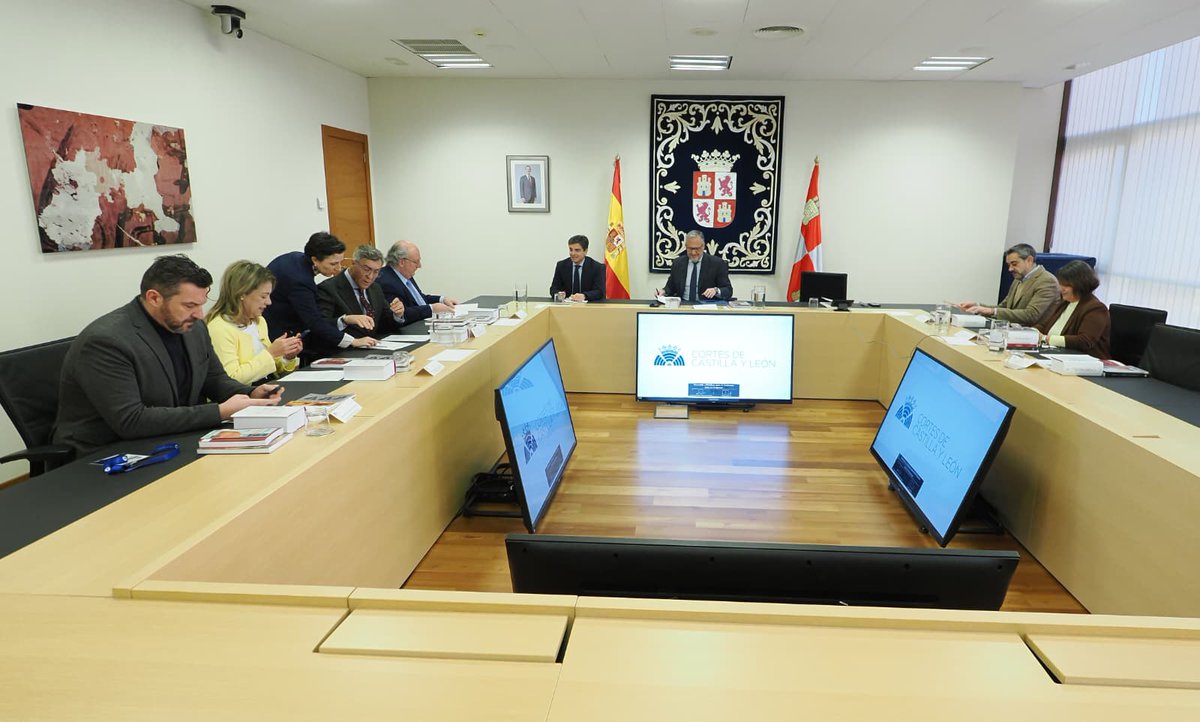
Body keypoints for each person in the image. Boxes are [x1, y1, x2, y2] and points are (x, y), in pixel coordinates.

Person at [52, 255, 283, 454]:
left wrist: (250, 393)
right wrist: (219, 411)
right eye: (189, 305)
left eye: (201, 304)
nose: (199, 314)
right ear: (154, 298)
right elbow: (131, 420)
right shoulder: (106, 341)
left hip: (172, 438)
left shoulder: (192, 327)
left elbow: (213, 379)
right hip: (108, 452)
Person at [263, 232, 377, 351]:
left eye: (340, 262)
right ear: (315, 260)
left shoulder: (296, 258)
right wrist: (353, 341)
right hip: (276, 335)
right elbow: (314, 322)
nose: (338, 268)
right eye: (333, 264)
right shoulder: (300, 281)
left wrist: (345, 320)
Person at [206, 260, 303, 384]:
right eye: (263, 296)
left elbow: (273, 371)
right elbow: (231, 380)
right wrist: (271, 353)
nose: (269, 302)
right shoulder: (219, 329)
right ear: (241, 294)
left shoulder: (259, 322)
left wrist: (287, 357)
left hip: (268, 388)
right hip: (243, 397)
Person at [316, 245, 406, 343]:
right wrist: (344, 320)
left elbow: (385, 322)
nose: (370, 277)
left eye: (376, 272)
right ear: (353, 263)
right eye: (366, 270)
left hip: (373, 347)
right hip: (343, 351)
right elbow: (320, 326)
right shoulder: (328, 288)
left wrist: (397, 314)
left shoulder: (375, 288)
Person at [955, 243, 1059, 325]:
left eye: (1014, 264)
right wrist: (977, 306)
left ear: (1029, 260)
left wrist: (991, 311)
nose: (1010, 269)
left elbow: (1031, 315)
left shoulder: (1047, 281)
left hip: (1031, 337)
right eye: (1009, 265)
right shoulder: (1018, 278)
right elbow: (1004, 307)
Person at [1034, 260, 1111, 359]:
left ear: (1081, 285)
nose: (1061, 289)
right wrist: (1031, 332)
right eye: (1061, 284)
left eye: (1066, 285)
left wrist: (1046, 339)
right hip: (1056, 355)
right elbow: (1044, 325)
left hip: (1084, 361)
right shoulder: (1064, 303)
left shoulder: (1096, 308)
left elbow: (1084, 341)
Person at [377, 240, 460, 325]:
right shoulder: (385, 281)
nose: (420, 265)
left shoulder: (405, 274)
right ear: (402, 262)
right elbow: (400, 313)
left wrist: (442, 299)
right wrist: (431, 309)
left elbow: (419, 299)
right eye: (416, 262)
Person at [659, 230, 733, 301]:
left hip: (706, 306)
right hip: (683, 305)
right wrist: (663, 291)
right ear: (686, 246)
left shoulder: (717, 263)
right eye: (690, 249)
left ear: (703, 246)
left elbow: (728, 290)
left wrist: (715, 290)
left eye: (697, 249)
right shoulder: (677, 263)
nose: (693, 253)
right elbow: (670, 288)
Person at [549, 234, 605, 302]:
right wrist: (558, 294)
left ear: (585, 251)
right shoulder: (561, 266)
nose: (573, 253)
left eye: (577, 250)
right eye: (571, 250)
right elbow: (553, 288)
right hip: (567, 306)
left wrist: (584, 296)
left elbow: (599, 292)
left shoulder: (597, 267)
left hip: (588, 308)